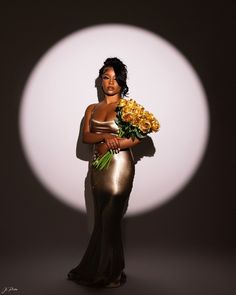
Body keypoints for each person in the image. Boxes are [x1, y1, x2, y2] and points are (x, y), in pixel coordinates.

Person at [67, 57, 141, 288]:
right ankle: (104, 268)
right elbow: (86, 137)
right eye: (106, 78)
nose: (110, 83)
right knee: (101, 217)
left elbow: (136, 138)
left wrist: (115, 143)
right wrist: (104, 137)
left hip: (120, 166)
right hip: (97, 166)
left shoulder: (128, 108)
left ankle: (111, 272)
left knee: (111, 217)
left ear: (122, 82)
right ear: (101, 80)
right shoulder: (92, 108)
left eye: (116, 79)